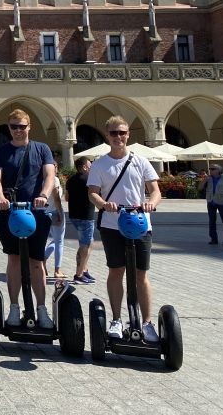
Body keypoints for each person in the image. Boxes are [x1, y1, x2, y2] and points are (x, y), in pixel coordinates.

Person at [87, 115, 162, 343]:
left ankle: (147, 322)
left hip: (140, 224)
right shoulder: (99, 164)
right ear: (107, 135)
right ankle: (117, 320)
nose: (118, 137)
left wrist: (151, 203)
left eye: (122, 132)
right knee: (116, 270)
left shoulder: (141, 161)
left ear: (128, 134)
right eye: (113, 133)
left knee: (141, 274)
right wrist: (103, 204)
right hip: (112, 224)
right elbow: (92, 193)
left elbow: (155, 190)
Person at [0, 108, 56, 329]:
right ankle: (14, 307)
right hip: (10, 212)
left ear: (29, 127)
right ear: (9, 128)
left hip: (36, 212)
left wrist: (43, 195)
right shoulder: (2, 150)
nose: (18, 130)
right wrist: (0, 197)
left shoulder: (41, 149)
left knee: (37, 262)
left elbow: (49, 175)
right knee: (14, 259)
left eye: (22, 126)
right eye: (13, 127)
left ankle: (42, 309)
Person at [66, 157, 96, 284]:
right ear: (84, 167)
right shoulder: (90, 179)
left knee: (89, 242)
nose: (91, 167)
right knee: (85, 245)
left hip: (74, 215)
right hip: (85, 216)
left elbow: (66, 198)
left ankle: (84, 270)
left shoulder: (70, 180)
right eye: (90, 165)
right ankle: (78, 275)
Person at [43, 174, 66, 278]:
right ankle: (57, 270)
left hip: (44, 212)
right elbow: (57, 198)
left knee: (54, 240)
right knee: (59, 241)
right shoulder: (54, 179)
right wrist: (60, 212)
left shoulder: (39, 179)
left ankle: (43, 258)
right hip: (54, 212)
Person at [201, 164, 223, 244]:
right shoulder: (208, 178)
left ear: (219, 170)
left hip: (222, 202)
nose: (211, 170)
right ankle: (213, 239)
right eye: (210, 169)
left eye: (213, 169)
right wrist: (204, 181)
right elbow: (200, 188)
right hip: (211, 202)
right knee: (212, 221)